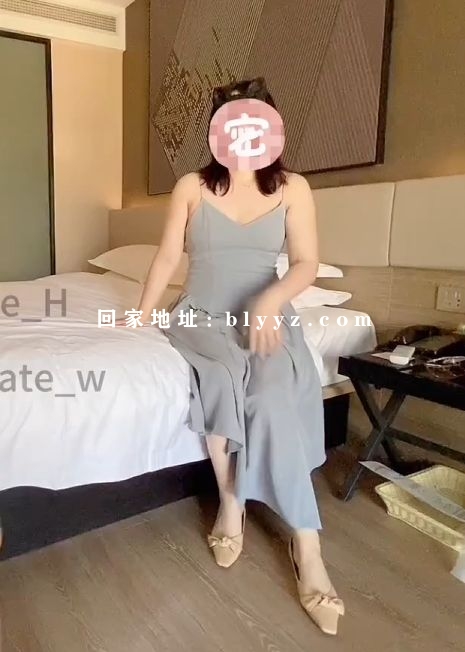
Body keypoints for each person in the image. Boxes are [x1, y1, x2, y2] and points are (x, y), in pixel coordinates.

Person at [121, 78, 344, 635]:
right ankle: (231, 501)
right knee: (221, 376)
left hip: (264, 314)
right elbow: (168, 256)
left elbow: (306, 263)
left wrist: (270, 302)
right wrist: (143, 313)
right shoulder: (191, 185)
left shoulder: (293, 188)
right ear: (217, 129)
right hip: (200, 312)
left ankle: (307, 545)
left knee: (272, 394)